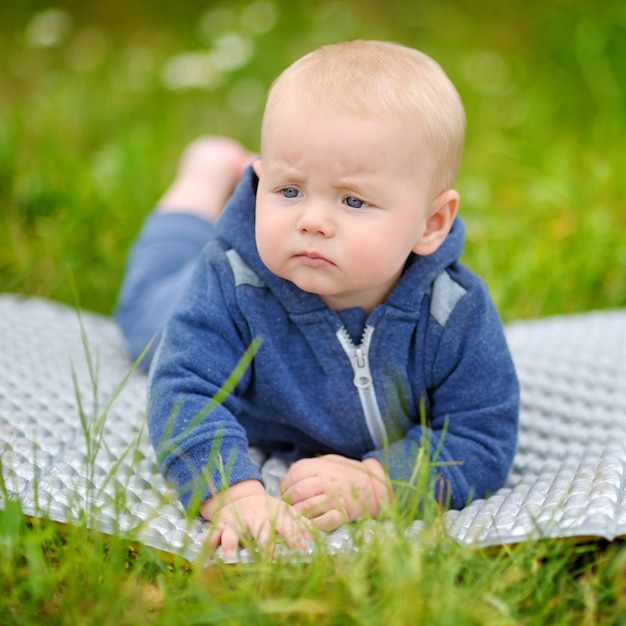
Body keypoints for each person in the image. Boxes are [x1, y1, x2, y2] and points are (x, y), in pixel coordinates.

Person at [116, 40, 519, 556]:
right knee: (147, 314)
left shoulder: (452, 310)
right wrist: (232, 492)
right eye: (288, 190)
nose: (312, 220)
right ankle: (204, 177)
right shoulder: (234, 280)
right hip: (192, 288)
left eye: (353, 200)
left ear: (431, 223)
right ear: (261, 182)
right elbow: (186, 392)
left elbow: (481, 435)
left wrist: (382, 482)